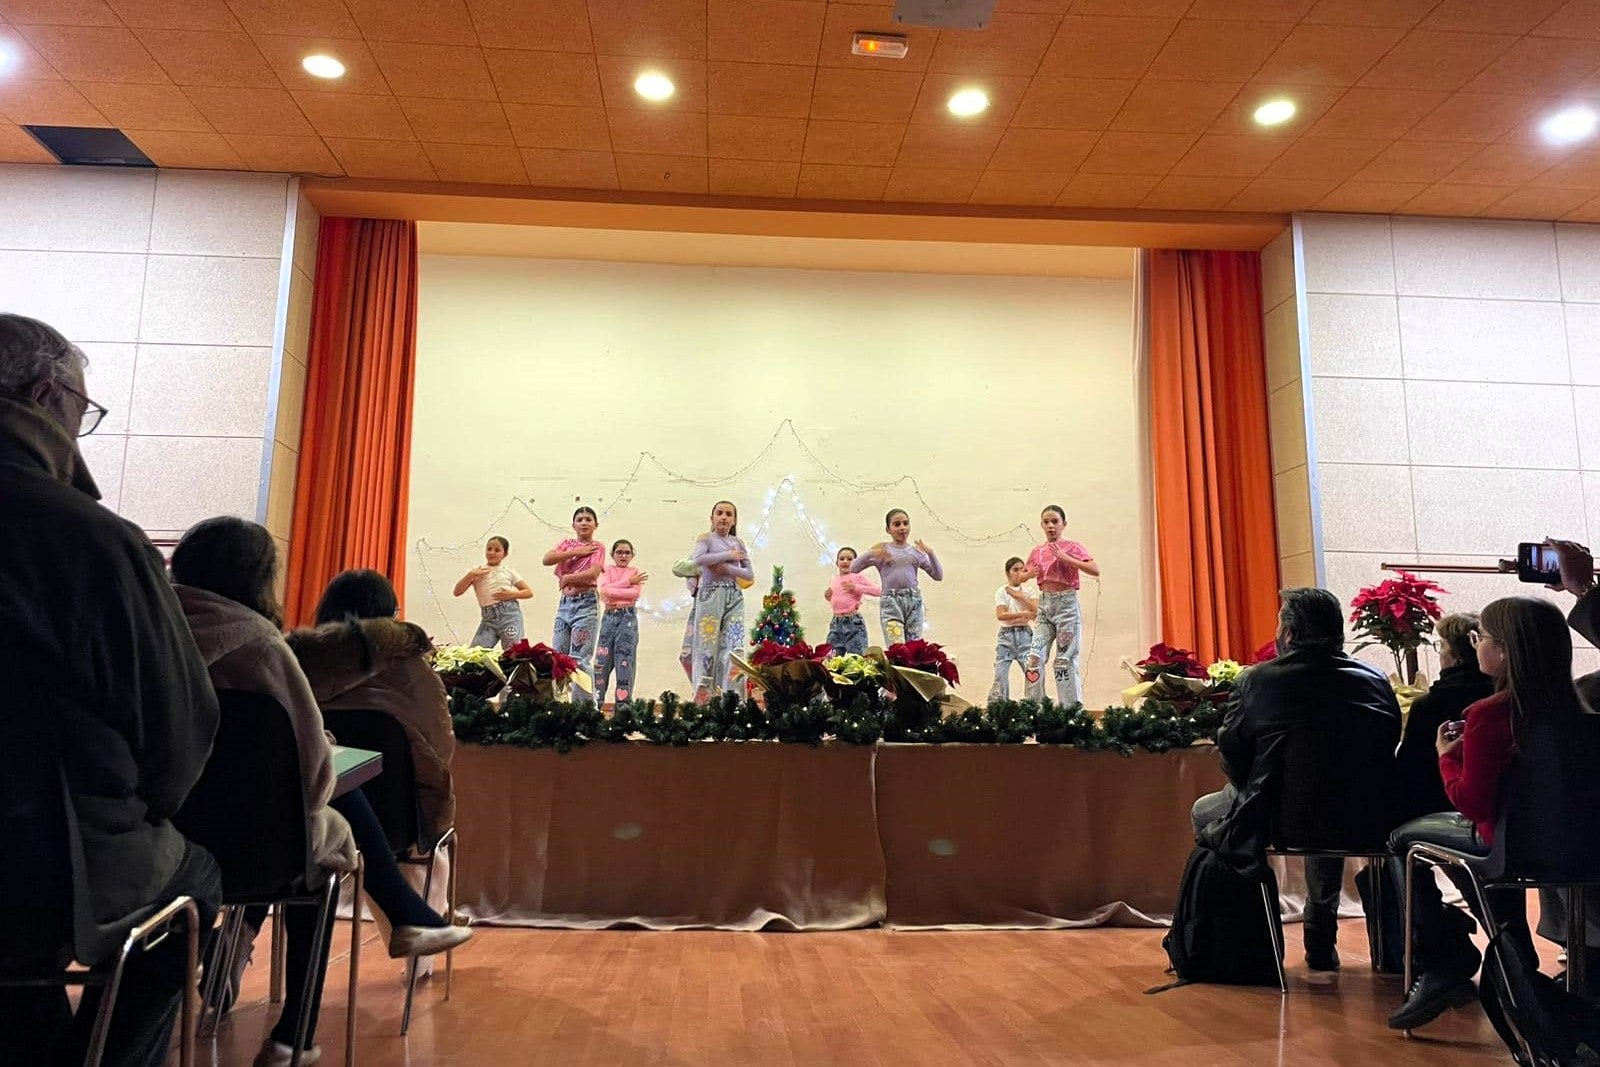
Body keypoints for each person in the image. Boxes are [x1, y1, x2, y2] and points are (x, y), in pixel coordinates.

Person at [0, 313, 222, 1067]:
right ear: (44, 398)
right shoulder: (90, 539)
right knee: (196, 879)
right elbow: (178, 739)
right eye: (82, 410)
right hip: (43, 854)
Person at [172, 518, 470, 1067]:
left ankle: (231, 962)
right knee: (312, 836)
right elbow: (315, 771)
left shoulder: (148, 635)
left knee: (300, 820)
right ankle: (295, 1033)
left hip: (164, 840)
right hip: (271, 845)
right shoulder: (265, 652)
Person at [1388, 597, 1582, 1029]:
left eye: (1484, 639)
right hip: (1575, 847)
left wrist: (1446, 757)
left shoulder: (1487, 715)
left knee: (1402, 839)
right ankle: (1510, 944)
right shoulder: (1581, 709)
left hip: (1510, 845)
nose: (1477, 647)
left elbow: (1473, 804)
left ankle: (1440, 960)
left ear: (1505, 650)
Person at [1191, 587, 1402, 973]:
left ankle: (1249, 941)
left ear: (1288, 634)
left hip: (1284, 814)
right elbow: (1389, 742)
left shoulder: (1258, 681)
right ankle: (1321, 938)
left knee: (1206, 811)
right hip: (1367, 817)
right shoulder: (1374, 678)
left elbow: (1232, 749)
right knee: (1328, 808)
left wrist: (1251, 789)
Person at [290, 569, 457, 852]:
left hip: (301, 820)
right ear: (389, 614)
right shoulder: (415, 672)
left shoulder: (293, 664)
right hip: (395, 823)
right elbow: (440, 749)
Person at [1394, 613, 1493, 824]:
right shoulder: (1502, 695)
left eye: (1442, 645)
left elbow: (1409, 773)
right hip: (1498, 813)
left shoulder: (1429, 705)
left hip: (1440, 813)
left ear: (1456, 656)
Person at [1020, 505, 1098, 706]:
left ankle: (1070, 710)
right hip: (1045, 605)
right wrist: (1028, 574)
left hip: (1066, 605)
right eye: (1046, 522)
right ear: (1041, 525)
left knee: (1064, 660)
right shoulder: (1037, 551)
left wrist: (1067, 558)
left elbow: (1094, 569)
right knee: (1034, 658)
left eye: (1055, 521)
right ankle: (1033, 708)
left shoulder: (1072, 546)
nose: (1050, 526)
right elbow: (1021, 575)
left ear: (1064, 524)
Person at [689, 500, 752, 700]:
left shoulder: (739, 543)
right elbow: (698, 560)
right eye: (719, 513)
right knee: (707, 646)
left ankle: (733, 699)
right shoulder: (705, 539)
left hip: (734, 596)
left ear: (734, 520)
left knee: (735, 645)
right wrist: (726, 555)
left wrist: (726, 567)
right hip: (710, 595)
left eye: (728, 514)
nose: (723, 517)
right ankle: (704, 699)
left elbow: (749, 574)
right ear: (712, 517)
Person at [851, 508, 942, 645]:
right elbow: (853, 568)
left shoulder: (915, 552)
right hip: (891, 604)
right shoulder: (883, 551)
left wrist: (930, 553)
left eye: (906, 523)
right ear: (888, 529)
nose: (902, 528)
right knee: (896, 648)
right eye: (897, 524)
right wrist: (872, 552)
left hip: (913, 603)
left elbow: (938, 576)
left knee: (914, 648)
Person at [543, 507, 605, 701]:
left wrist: (568, 577)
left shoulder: (597, 547)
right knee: (559, 658)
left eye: (588, 519)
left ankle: (584, 709)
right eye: (580, 519)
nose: (584, 522)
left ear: (595, 525)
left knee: (579, 659)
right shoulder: (567, 544)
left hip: (585, 604)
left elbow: (592, 574)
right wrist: (576, 551)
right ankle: (559, 705)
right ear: (574, 525)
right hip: (565, 605)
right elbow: (547, 559)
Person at [452, 535, 531, 650]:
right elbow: (457, 592)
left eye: (497, 550)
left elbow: (528, 592)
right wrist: (470, 575)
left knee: (513, 652)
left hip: (509, 616)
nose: (492, 553)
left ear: (505, 554)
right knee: (476, 652)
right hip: (488, 619)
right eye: (489, 549)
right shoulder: (477, 571)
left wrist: (512, 594)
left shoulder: (508, 571)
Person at [595, 540, 647, 706]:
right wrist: (627, 583)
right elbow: (604, 591)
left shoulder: (635, 572)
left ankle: (623, 707)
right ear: (613, 554)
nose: (623, 556)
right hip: (609, 617)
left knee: (625, 660)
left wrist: (620, 589)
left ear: (632, 555)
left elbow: (635, 594)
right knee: (601, 662)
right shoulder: (607, 570)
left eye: (627, 552)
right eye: (619, 552)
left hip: (628, 618)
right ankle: (596, 704)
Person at [989, 556, 1039, 703]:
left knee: (1032, 673)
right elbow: (1001, 615)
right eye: (1015, 570)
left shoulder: (1029, 591)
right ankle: (998, 708)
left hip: (1025, 635)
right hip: (1007, 636)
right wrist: (1024, 614)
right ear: (1007, 572)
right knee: (1000, 675)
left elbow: (1036, 611)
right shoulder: (1002, 592)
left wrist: (1019, 596)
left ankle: (1034, 707)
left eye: (1022, 570)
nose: (1018, 573)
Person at [824, 546, 880, 655]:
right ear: (836, 563)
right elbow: (838, 597)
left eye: (849, 559)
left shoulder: (857, 577)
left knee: (856, 657)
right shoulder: (834, 579)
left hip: (853, 623)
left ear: (856, 562)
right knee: (831, 657)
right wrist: (827, 596)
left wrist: (856, 587)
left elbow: (879, 591)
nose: (845, 561)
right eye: (842, 559)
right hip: (836, 623)